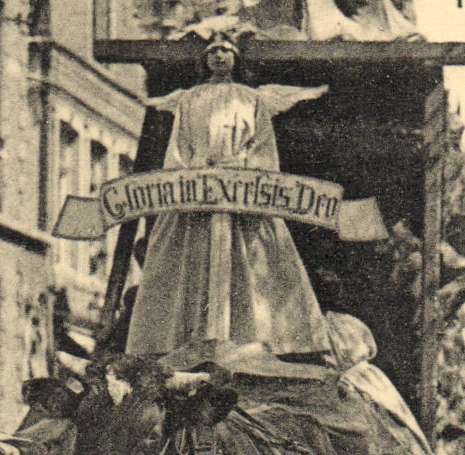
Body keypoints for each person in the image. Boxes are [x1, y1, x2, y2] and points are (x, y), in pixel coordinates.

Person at [125, 32, 332, 359]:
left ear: (236, 58)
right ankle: (184, 341)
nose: (219, 57)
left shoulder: (251, 99)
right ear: (205, 59)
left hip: (240, 190)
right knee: (185, 259)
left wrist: (248, 168)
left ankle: (252, 342)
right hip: (198, 192)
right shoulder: (190, 99)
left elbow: (263, 145)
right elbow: (178, 146)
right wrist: (190, 170)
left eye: (226, 51)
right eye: (213, 52)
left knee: (253, 259)